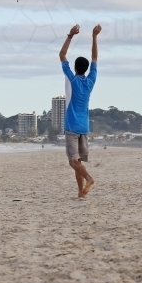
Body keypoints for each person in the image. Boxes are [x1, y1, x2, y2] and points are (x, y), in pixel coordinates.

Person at [59, 23, 101, 198]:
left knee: (72, 162)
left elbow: (62, 55)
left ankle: (90, 178)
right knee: (78, 161)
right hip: (84, 126)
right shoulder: (90, 81)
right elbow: (95, 59)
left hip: (71, 126)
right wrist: (94, 37)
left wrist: (70, 35)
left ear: (75, 68)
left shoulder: (73, 80)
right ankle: (80, 193)